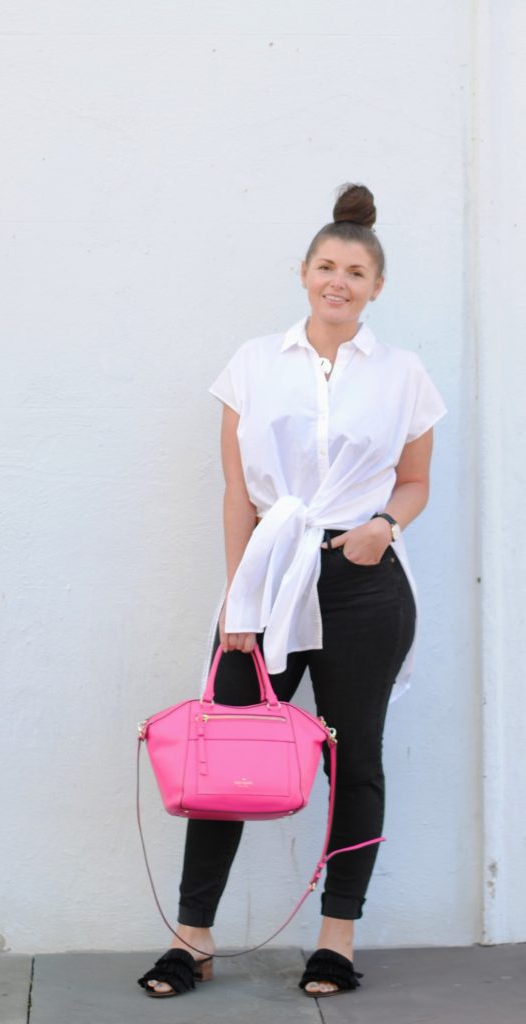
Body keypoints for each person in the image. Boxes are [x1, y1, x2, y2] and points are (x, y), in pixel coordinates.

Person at [138, 183, 446, 999]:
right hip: (268, 576)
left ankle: (335, 942)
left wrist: (382, 523)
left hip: (361, 582)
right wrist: (239, 601)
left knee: (357, 760)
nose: (337, 280)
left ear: (376, 287)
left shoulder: (403, 374)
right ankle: (190, 937)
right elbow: (238, 493)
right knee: (226, 748)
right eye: (324, 266)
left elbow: (415, 481)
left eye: (354, 271)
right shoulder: (251, 364)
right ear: (302, 273)